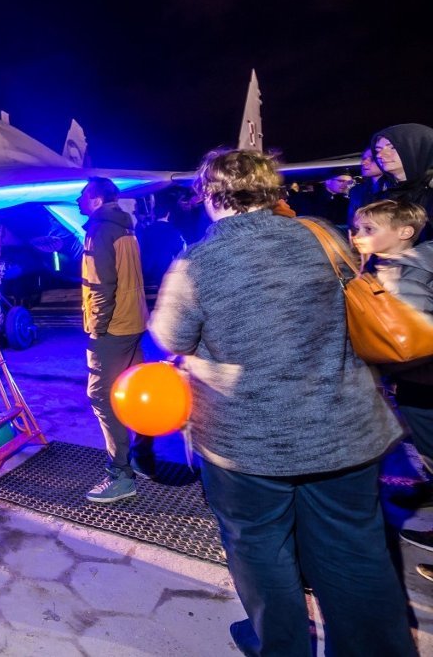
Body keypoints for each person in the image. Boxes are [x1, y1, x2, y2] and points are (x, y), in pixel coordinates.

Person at [149, 149, 414, 657]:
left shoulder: (198, 261)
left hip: (249, 441)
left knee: (260, 549)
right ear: (271, 191)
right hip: (343, 428)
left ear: (209, 196)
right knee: (354, 551)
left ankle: (282, 644)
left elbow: (172, 338)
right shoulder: (324, 236)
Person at [352, 200, 433, 572]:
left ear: (404, 232)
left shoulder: (406, 275)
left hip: (423, 382)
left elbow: (411, 341)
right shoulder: (392, 266)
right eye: (357, 228)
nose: (358, 235)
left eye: (369, 229)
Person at [77, 177, 154, 502]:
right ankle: (142, 456)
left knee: (102, 398)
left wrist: (97, 328)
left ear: (96, 199)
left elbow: (101, 285)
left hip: (114, 329)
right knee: (133, 392)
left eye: (83, 195)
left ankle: (120, 475)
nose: (78, 200)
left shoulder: (100, 230)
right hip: (134, 322)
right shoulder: (125, 225)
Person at [373, 123, 433, 240]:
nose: (380, 155)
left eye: (392, 147)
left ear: (418, 149)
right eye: (377, 150)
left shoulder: (429, 190)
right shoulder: (380, 190)